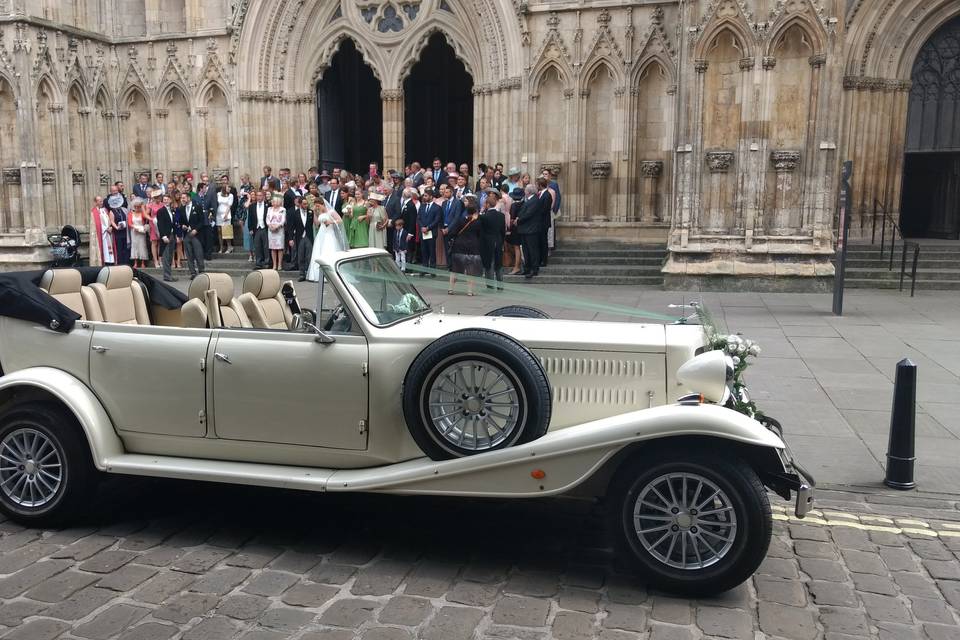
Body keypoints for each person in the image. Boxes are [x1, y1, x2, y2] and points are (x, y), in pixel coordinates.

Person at [446, 196, 483, 296]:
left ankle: (450, 289)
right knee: (471, 270)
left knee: (455, 269)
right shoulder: (478, 222)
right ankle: (470, 291)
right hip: (472, 247)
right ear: (475, 211)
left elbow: (453, 232)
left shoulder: (460, 220)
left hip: (459, 246)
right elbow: (480, 234)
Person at [306, 199, 347, 282]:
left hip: (329, 234)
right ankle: (316, 275)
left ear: (323, 204)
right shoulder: (320, 213)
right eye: (316, 206)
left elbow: (340, 220)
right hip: (321, 233)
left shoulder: (331, 212)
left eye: (318, 206)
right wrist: (314, 213)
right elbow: (317, 223)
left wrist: (331, 222)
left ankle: (330, 274)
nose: (317, 207)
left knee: (328, 250)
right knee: (318, 251)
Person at [480, 191, 506, 290]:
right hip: (498, 240)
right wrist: (501, 240)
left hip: (487, 242)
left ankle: (490, 284)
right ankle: (500, 284)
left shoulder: (484, 217)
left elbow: (481, 231)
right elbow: (503, 230)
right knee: (499, 263)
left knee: (489, 263)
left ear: (487, 204)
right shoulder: (501, 216)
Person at [285, 196, 314, 281]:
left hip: (308, 236)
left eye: (306, 204)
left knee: (309, 255)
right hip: (299, 236)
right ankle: (302, 274)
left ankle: (309, 273)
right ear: (300, 204)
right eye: (304, 204)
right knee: (300, 255)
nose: (306, 205)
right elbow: (291, 227)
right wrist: (290, 239)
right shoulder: (295, 213)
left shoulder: (310, 212)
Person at [517, 184, 542, 278]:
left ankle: (534, 269)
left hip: (531, 229)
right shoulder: (529, 200)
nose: (524, 191)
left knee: (532, 250)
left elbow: (529, 214)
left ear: (529, 191)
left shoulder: (535, 200)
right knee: (526, 250)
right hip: (525, 229)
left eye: (525, 190)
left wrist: (518, 220)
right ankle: (527, 268)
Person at [180, 192, 205, 278]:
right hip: (187, 234)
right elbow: (181, 221)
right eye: (182, 198)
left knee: (198, 253)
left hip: (196, 234)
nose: (182, 199)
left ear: (189, 198)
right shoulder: (181, 208)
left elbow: (202, 220)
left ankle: (201, 271)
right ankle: (193, 272)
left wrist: (196, 229)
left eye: (184, 197)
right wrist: (182, 225)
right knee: (189, 254)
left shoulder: (197, 207)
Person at [417, 188, 440, 276]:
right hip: (423, 232)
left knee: (432, 251)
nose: (424, 197)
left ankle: (433, 270)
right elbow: (418, 218)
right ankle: (424, 268)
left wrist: (428, 228)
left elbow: (436, 220)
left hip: (431, 232)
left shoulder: (437, 207)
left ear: (431, 196)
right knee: (424, 251)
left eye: (426, 196)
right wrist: (422, 227)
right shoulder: (422, 206)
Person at [156, 194, 178, 282]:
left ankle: (169, 275)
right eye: (164, 199)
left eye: (167, 199)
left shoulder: (172, 210)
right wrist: (163, 236)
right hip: (166, 236)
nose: (165, 201)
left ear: (170, 200)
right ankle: (167, 276)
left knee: (170, 256)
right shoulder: (161, 211)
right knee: (166, 256)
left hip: (172, 235)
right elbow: (160, 224)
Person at [247, 189, 270, 268]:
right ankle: (258, 263)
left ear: (263, 196)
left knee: (266, 246)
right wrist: (250, 229)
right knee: (257, 246)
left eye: (260, 195)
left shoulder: (268, 205)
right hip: (256, 228)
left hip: (265, 228)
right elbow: (250, 218)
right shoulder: (252, 206)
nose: (259, 197)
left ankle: (267, 262)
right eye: (257, 196)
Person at [91, 196, 115, 266]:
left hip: (108, 233)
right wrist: (105, 229)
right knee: (104, 249)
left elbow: (109, 220)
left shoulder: (105, 210)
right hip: (101, 234)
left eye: (102, 201)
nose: (102, 202)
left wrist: (110, 227)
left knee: (109, 248)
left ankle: (111, 261)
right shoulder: (94, 212)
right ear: (96, 202)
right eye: (100, 201)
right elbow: (96, 225)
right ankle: (105, 262)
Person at [507, 187, 525, 274]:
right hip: (523, 228)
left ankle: (516, 266)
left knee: (516, 247)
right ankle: (521, 265)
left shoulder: (514, 205)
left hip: (515, 229)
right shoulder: (524, 204)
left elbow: (512, 219)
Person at [129, 199, 151, 269]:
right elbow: (129, 223)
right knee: (135, 246)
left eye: (138, 207)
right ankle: (135, 262)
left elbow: (146, 218)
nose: (137, 208)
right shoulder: (130, 214)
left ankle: (142, 262)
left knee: (142, 246)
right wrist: (134, 227)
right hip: (134, 232)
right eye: (135, 207)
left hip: (141, 231)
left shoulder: (142, 213)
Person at [266, 194, 286, 270]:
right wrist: (270, 226)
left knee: (279, 248)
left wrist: (277, 226)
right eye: (272, 201)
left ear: (278, 202)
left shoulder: (283, 209)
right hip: (271, 230)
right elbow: (267, 219)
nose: (272, 202)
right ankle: (274, 264)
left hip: (279, 230)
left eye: (274, 201)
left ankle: (279, 264)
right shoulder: (269, 209)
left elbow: (283, 220)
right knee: (273, 248)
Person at [216, 182, 235, 253]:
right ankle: (221, 247)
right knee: (219, 231)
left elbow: (229, 206)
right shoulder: (218, 194)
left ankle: (229, 247)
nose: (229, 189)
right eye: (228, 187)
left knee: (226, 231)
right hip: (219, 214)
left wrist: (226, 215)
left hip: (226, 215)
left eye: (230, 187)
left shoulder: (231, 195)